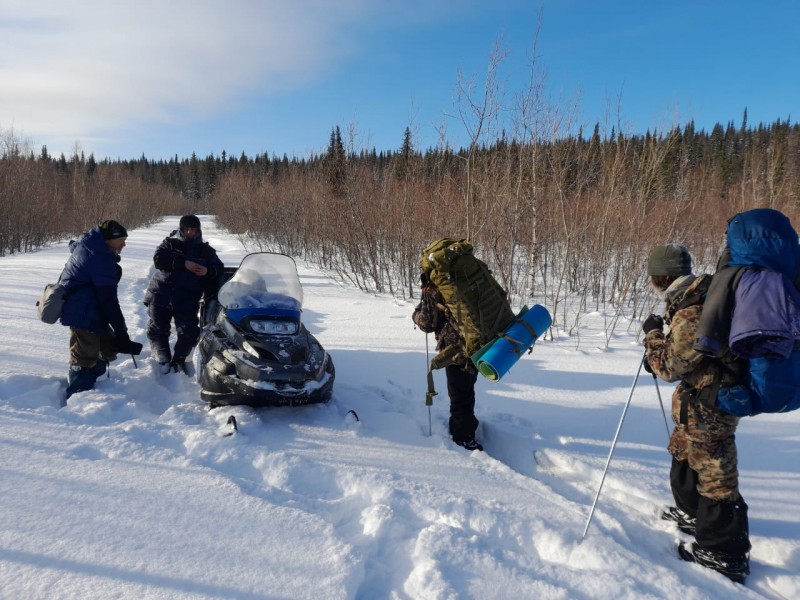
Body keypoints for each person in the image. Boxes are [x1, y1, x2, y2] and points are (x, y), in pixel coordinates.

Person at [642, 244, 751, 584]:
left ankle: (724, 554)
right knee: (683, 451)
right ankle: (693, 514)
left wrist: (652, 336)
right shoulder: (695, 295)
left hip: (711, 405)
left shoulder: (692, 310)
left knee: (717, 475)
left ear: (661, 277)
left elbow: (669, 367)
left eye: (651, 276)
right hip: (696, 401)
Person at [60, 219, 143, 400]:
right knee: (85, 355)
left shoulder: (91, 246)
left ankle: (90, 385)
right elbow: (109, 301)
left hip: (88, 307)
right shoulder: (98, 257)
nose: (124, 244)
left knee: (106, 349)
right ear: (109, 239)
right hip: (82, 312)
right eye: (121, 239)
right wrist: (122, 333)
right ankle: (77, 400)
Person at [144, 215, 224, 374]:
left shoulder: (206, 251)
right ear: (181, 229)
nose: (190, 232)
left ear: (198, 230)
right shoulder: (170, 243)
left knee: (189, 332)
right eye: (186, 229)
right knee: (158, 328)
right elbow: (159, 260)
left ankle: (179, 359)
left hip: (188, 297)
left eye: (193, 229)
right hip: (161, 293)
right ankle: (163, 358)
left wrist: (207, 271)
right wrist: (184, 263)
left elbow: (219, 269)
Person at [412, 274, 483, 451]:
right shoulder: (472, 274)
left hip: (456, 348)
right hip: (481, 343)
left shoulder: (436, 284)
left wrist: (416, 314)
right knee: (466, 387)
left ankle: (464, 437)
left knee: (459, 392)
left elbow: (427, 323)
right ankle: (466, 426)